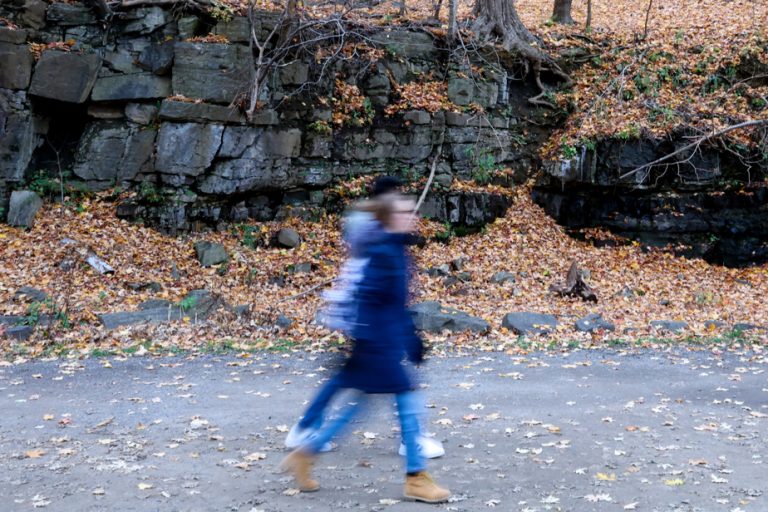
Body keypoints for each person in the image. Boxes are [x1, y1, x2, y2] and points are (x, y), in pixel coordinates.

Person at [281, 193, 451, 503]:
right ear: (388, 218)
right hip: (377, 346)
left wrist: (410, 340)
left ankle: (306, 454)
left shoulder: (397, 249)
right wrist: (377, 344)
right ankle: (416, 477)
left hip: (378, 344)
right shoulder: (384, 252)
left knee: (358, 408)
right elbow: (370, 300)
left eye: (412, 210)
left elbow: (396, 305)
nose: (411, 215)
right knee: (408, 401)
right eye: (403, 211)